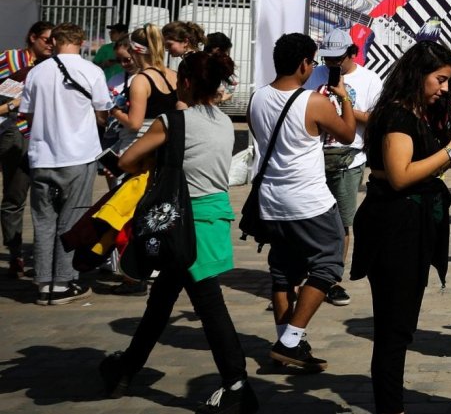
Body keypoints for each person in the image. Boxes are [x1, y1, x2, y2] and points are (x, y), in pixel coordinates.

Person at [99, 51, 257, 413]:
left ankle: (237, 385)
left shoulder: (172, 122)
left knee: (210, 306)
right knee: (161, 302)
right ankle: (126, 369)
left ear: (184, 82)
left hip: (180, 224)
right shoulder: (223, 121)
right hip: (212, 218)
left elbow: (126, 161)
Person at [350, 41, 451, 414]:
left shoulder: (412, 113)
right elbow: (401, 175)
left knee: (399, 325)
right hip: (395, 229)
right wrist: (449, 152)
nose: (445, 88)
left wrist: (448, 156)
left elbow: (416, 170)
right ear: (418, 74)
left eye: (448, 81)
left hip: (409, 225)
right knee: (394, 328)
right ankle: (390, 406)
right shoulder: (397, 116)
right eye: (440, 79)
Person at [247, 32, 357, 371]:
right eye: (312, 61)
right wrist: (344, 99)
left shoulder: (256, 98)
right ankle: (291, 339)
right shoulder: (313, 101)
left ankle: (288, 343)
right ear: (304, 64)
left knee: (283, 272)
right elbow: (347, 134)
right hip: (309, 200)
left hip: (270, 200)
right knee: (328, 265)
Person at [18, 22, 112, 305]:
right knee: (71, 220)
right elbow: (102, 113)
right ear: (81, 41)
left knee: (43, 221)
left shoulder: (36, 72)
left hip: (42, 156)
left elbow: (28, 114)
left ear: (55, 41)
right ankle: (62, 283)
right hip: (78, 155)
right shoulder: (92, 71)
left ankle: (43, 281)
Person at [303, 28, 384, 308]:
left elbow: (376, 119)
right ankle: (306, 278)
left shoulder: (369, 79)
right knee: (308, 218)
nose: (331, 64)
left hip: (349, 158)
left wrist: (343, 104)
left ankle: (331, 280)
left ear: (352, 53)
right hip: (313, 156)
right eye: (327, 58)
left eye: (338, 58)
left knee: (341, 221)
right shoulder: (314, 75)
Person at [0, 21, 53, 278]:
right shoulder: (9, 59)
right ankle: (15, 253)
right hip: (17, 133)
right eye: (46, 39)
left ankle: (45, 254)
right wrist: (12, 105)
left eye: (54, 41)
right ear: (32, 37)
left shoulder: (54, 65)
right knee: (15, 195)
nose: (51, 45)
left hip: (46, 136)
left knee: (46, 198)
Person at [110, 24, 180, 154]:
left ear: (135, 51)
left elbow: (134, 124)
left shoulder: (141, 80)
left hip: (138, 148)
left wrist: (114, 111)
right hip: (165, 145)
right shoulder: (175, 75)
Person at [204, 32, 239, 105]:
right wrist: (222, 98)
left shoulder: (196, 60)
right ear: (217, 50)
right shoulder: (212, 65)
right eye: (225, 52)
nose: (226, 55)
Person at [93, 22, 128, 87]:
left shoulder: (130, 48)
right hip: (107, 83)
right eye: (110, 32)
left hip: (125, 83)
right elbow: (94, 66)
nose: (110, 34)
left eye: (113, 32)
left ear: (122, 33)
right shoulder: (105, 48)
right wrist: (104, 64)